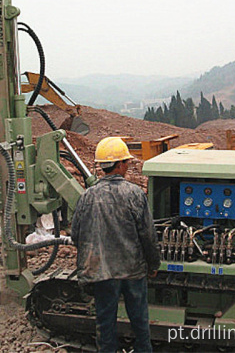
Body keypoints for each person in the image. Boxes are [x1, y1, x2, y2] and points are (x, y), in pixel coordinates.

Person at [71, 137, 161, 353]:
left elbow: (76, 235)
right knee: (140, 323)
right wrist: (153, 264)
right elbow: (148, 235)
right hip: (132, 271)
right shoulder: (134, 194)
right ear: (120, 165)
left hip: (102, 273)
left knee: (105, 324)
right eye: (127, 163)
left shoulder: (87, 196)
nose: (128, 167)